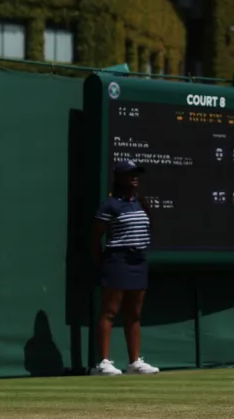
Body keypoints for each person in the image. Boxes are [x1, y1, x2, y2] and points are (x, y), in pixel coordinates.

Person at [90, 160, 160, 376]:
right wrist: (102, 263)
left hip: (138, 262)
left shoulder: (141, 203)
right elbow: (95, 239)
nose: (135, 177)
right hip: (116, 261)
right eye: (130, 174)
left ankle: (134, 362)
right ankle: (103, 363)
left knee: (134, 314)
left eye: (136, 174)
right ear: (120, 178)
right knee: (109, 312)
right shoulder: (110, 205)